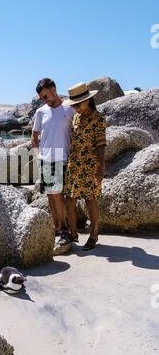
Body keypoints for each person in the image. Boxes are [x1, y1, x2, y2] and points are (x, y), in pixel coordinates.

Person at [64, 82, 107, 251]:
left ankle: (94, 234)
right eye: (73, 105)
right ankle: (73, 234)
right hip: (74, 164)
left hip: (90, 165)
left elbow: (101, 145)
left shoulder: (98, 119)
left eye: (78, 104)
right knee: (70, 199)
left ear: (87, 100)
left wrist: (101, 168)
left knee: (90, 200)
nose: (75, 108)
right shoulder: (75, 117)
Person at [31, 78, 75, 239]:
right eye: (41, 98)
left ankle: (64, 228)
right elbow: (34, 137)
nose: (44, 100)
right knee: (51, 195)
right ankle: (59, 228)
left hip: (64, 158)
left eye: (45, 96)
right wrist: (38, 156)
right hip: (45, 159)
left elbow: (76, 133)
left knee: (58, 194)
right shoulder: (40, 112)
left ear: (54, 89)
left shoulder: (70, 109)